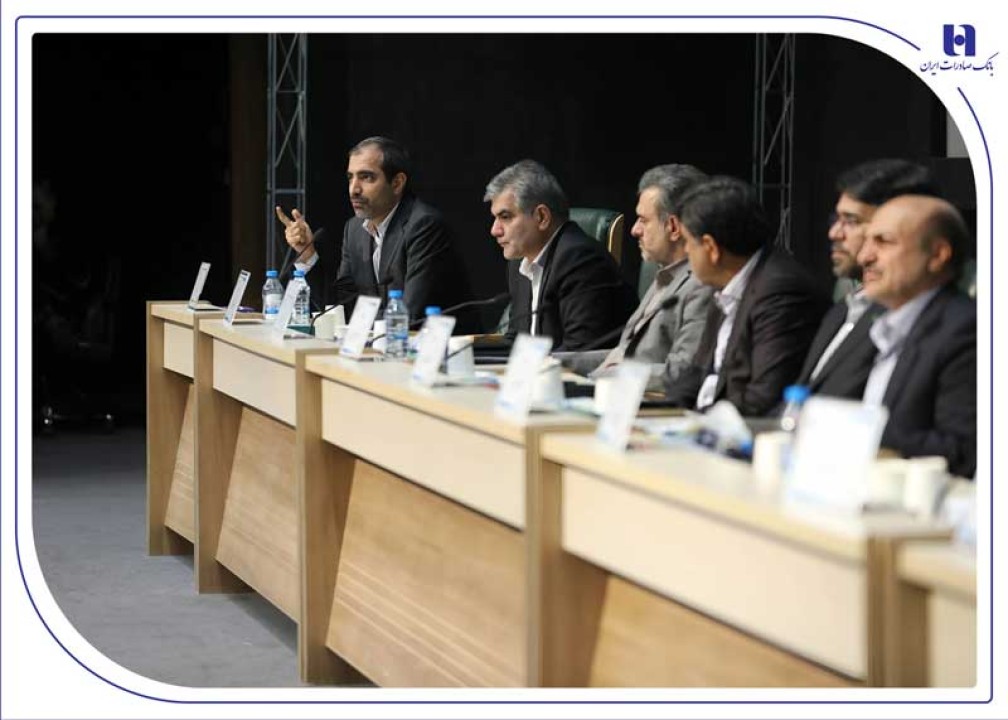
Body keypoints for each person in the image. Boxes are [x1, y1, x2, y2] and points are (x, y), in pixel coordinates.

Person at [665, 177, 829, 416]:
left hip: (741, 431)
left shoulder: (781, 293)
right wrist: (660, 414)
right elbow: (697, 373)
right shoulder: (725, 283)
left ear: (711, 248)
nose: (687, 250)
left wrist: (696, 424)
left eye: (688, 242)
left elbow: (764, 398)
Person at [274, 136, 474, 328]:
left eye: (366, 177)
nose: (353, 189)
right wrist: (308, 254)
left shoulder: (423, 226)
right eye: (350, 177)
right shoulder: (354, 229)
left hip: (441, 347)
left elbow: (408, 315)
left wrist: (357, 324)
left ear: (397, 183)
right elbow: (340, 307)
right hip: (383, 344)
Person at [556, 164, 712, 390]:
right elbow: (623, 355)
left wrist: (611, 376)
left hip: (647, 405)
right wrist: (555, 363)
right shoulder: (665, 275)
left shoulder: (702, 286)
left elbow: (685, 372)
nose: (634, 230)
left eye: (643, 220)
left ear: (673, 227)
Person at [796, 159, 939, 399]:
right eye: (836, 219)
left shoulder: (916, 323)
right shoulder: (841, 310)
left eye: (851, 221)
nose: (834, 233)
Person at [857, 195, 976, 478]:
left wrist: (858, 432)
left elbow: (963, 451)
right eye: (866, 241)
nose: (864, 257)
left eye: (883, 241)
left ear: (937, 255)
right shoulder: (883, 324)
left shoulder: (966, 330)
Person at [484, 159, 637, 351]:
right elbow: (516, 339)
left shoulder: (580, 261)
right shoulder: (521, 263)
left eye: (505, 217)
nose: (495, 230)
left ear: (542, 217)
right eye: (495, 218)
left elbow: (579, 351)